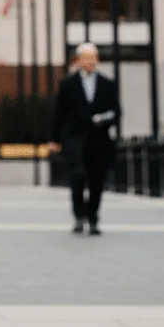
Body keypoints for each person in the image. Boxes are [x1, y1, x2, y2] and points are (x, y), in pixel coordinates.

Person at [49, 42, 121, 235]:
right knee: (77, 177)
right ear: (79, 60)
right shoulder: (67, 84)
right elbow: (59, 113)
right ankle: (79, 216)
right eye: (86, 57)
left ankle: (93, 218)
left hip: (99, 140)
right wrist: (54, 139)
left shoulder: (108, 84)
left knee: (97, 180)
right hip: (75, 140)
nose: (90, 61)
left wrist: (105, 119)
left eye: (93, 57)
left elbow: (116, 112)